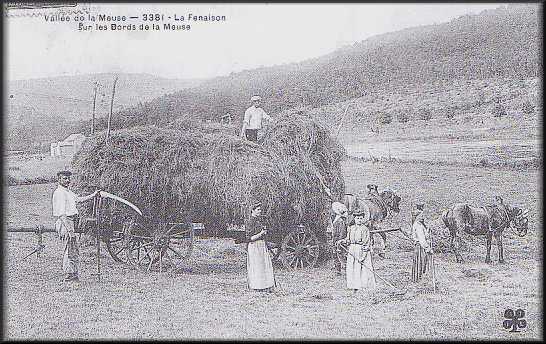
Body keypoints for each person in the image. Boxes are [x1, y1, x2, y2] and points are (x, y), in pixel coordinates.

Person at [52, 170, 99, 282]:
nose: (67, 180)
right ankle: (69, 275)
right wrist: (70, 231)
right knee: (69, 249)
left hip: (71, 221)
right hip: (65, 222)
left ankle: (73, 273)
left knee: (74, 249)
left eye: (68, 178)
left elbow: (79, 199)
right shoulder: (59, 193)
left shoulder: (68, 192)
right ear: (59, 179)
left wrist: (94, 195)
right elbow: (62, 214)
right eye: (64, 178)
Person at [337, 208, 376, 291]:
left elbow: (366, 243)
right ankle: (353, 285)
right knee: (352, 267)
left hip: (361, 250)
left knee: (362, 268)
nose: (359, 220)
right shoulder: (351, 228)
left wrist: (363, 256)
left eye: (361, 218)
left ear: (363, 219)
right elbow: (348, 240)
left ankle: (362, 285)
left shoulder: (365, 229)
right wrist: (342, 241)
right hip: (352, 249)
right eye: (357, 218)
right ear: (354, 219)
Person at [245, 202, 275, 292]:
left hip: (261, 246)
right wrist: (261, 233)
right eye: (258, 210)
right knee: (256, 266)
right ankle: (256, 286)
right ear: (252, 211)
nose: (260, 211)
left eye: (260, 209)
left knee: (263, 265)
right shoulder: (250, 222)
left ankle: (264, 286)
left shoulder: (258, 220)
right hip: (255, 246)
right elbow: (250, 238)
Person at [411, 203, 433, 282]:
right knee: (420, 263)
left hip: (420, 246)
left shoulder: (420, 225)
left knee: (420, 263)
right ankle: (418, 280)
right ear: (418, 217)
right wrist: (428, 249)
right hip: (421, 247)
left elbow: (424, 235)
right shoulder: (418, 225)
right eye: (421, 216)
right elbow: (422, 239)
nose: (423, 217)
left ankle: (418, 279)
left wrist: (428, 230)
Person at [330, 201, 348, 275]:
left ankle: (346, 269)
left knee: (341, 255)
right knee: (335, 255)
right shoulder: (336, 220)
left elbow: (342, 233)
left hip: (339, 240)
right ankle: (338, 270)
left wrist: (340, 241)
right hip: (335, 239)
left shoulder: (340, 221)